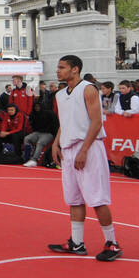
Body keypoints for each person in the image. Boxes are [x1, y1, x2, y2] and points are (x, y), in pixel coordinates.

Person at [47, 54, 122, 262]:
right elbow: (65, 121)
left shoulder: (88, 89)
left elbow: (97, 122)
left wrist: (84, 150)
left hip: (88, 147)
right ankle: (77, 242)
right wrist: (56, 142)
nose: (58, 71)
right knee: (74, 198)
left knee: (97, 198)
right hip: (69, 148)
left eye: (62, 67)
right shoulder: (60, 95)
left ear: (75, 69)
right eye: (58, 67)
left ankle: (112, 242)